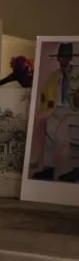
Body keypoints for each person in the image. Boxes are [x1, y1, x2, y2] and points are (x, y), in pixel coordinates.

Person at [32, 42, 79, 181]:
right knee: (49, 128)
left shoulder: (77, 73)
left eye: (66, 58)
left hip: (75, 109)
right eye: (61, 57)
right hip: (58, 108)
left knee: (73, 134)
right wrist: (45, 107)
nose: (62, 61)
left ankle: (76, 169)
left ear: (70, 59)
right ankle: (49, 167)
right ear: (58, 59)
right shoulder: (54, 76)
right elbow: (46, 94)